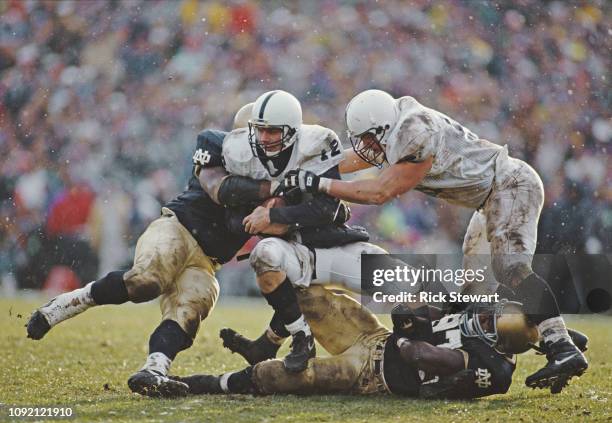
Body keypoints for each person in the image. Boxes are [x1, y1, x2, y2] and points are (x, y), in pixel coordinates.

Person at [281, 89, 588, 393]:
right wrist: (305, 170)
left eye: (370, 139)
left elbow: (379, 192)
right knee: (474, 298)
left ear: (386, 128)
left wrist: (319, 183)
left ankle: (561, 345)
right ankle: (541, 331)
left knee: (510, 266)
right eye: (362, 139)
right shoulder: (396, 125)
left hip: (510, 184)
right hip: (489, 199)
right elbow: (357, 159)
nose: (367, 147)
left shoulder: (416, 133)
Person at [25, 106, 286, 397]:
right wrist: (273, 190)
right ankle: (65, 303)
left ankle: (154, 370)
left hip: (208, 261)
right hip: (178, 228)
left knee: (189, 309)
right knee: (146, 281)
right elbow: (222, 191)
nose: (263, 142)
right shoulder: (214, 142)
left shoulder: (278, 174)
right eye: (257, 135)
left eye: (269, 136)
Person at [202, 90, 396, 373]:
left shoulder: (316, 144)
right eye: (259, 130)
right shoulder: (238, 152)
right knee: (264, 254)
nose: (263, 138)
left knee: (401, 278)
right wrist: (263, 211)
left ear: (292, 131)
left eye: (272, 131)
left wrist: (276, 215)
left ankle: (458, 326)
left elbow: (325, 210)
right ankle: (301, 338)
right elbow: (234, 219)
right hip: (292, 251)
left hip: (330, 244)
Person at [173, 287, 538, 399]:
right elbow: (431, 307)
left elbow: (419, 354)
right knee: (308, 297)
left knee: (273, 376)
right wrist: (414, 313)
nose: (482, 316)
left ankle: (208, 384)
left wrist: (408, 332)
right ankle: (265, 342)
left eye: (490, 321)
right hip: (374, 337)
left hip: (371, 374)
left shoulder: (485, 364)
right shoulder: (489, 328)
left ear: (499, 340)